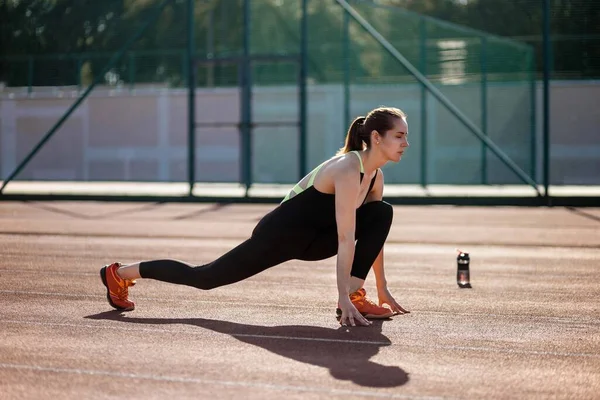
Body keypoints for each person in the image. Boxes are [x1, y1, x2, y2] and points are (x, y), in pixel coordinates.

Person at [100, 106, 410, 327]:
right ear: (376, 137)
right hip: (279, 235)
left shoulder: (375, 177)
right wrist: (340, 295)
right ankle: (120, 273)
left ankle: (358, 296)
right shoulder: (345, 168)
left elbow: (372, 237)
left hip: (316, 240)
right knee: (205, 278)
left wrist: (381, 287)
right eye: (399, 136)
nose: (405, 144)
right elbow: (346, 237)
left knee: (380, 213)